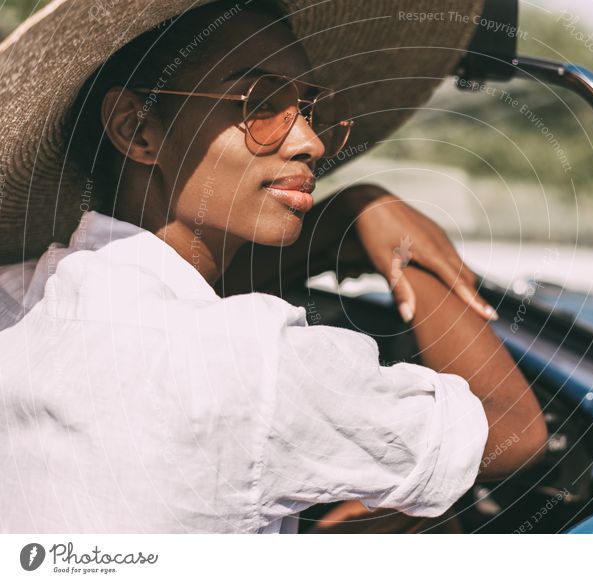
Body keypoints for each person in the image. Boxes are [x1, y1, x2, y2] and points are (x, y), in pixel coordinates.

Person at [0, 0, 548, 533]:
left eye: (309, 106)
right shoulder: (257, 360)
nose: (310, 141)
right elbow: (513, 433)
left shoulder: (20, 301)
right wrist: (387, 232)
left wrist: (337, 221)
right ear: (136, 129)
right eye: (258, 102)